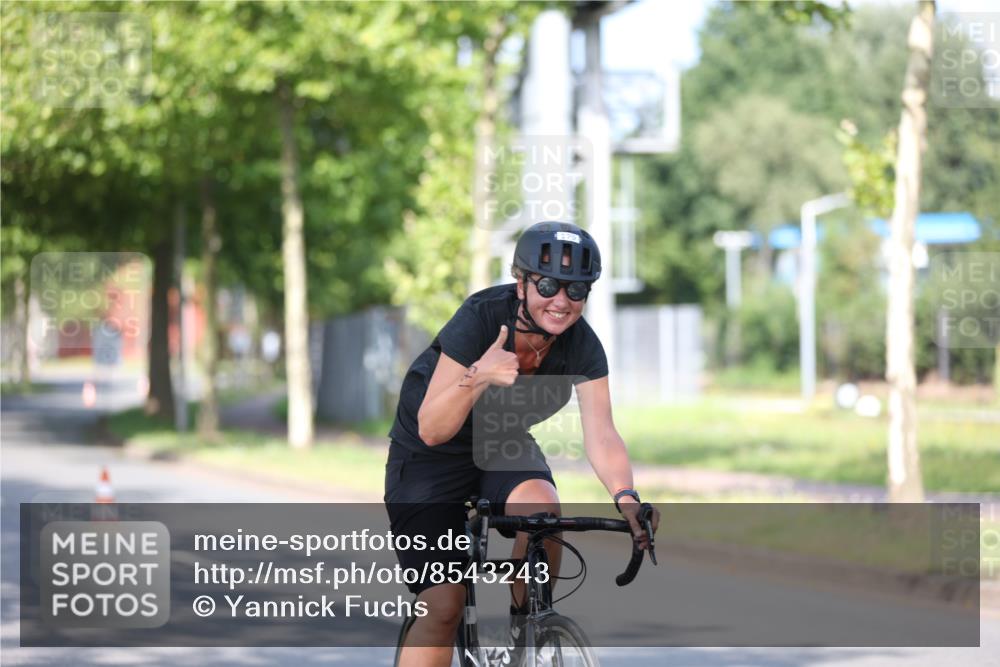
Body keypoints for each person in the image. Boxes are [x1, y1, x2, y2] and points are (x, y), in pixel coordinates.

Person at [385, 221, 660, 667]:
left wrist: (627, 497)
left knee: (544, 512)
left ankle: (527, 625)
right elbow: (432, 427)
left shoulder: (582, 347)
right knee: (443, 607)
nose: (561, 300)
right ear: (521, 283)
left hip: (500, 443)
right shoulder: (480, 319)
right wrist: (480, 376)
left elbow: (602, 432)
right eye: (548, 284)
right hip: (428, 456)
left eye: (576, 290)